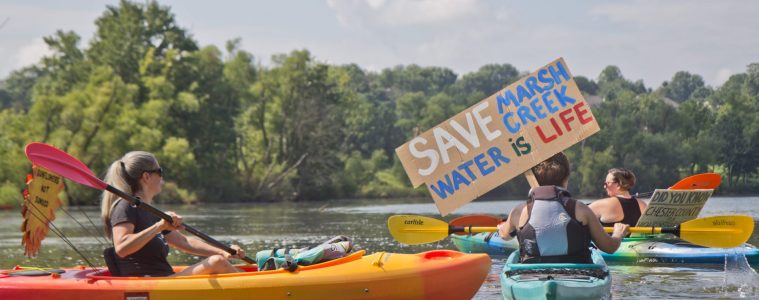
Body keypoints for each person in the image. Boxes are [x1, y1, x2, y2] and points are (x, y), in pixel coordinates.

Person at [100, 151, 246, 277]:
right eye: (160, 172)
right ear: (146, 177)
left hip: (166, 277)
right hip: (149, 282)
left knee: (220, 259)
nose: (162, 178)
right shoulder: (125, 206)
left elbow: (184, 242)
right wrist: (158, 227)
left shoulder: (149, 210)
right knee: (216, 262)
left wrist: (224, 251)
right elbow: (122, 248)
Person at [497, 152, 629, 263]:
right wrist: (618, 234)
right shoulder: (581, 209)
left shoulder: (519, 211)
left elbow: (504, 235)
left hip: (531, 275)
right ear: (566, 178)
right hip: (578, 275)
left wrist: (501, 228)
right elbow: (610, 247)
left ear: (534, 179)